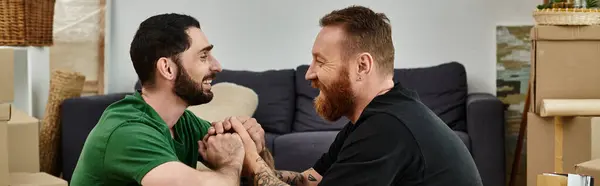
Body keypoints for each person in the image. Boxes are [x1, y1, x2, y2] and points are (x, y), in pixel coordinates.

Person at [208, 5, 484, 186]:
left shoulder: (388, 126)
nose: (309, 74)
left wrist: (250, 160)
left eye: (321, 61)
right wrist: (254, 154)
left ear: (362, 65)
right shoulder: (374, 118)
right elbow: (309, 181)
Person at [69, 13, 270, 186]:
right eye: (203, 56)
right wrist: (231, 162)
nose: (217, 66)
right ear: (167, 68)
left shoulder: (184, 124)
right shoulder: (128, 131)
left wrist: (249, 140)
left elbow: (248, 166)